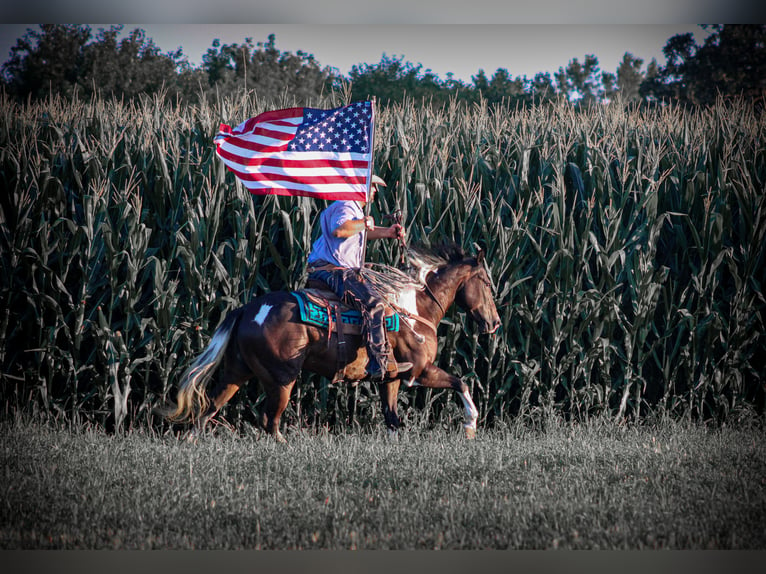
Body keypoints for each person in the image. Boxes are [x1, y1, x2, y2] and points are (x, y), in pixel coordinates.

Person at [306, 175, 412, 381]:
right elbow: (341, 230)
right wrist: (364, 222)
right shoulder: (346, 204)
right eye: (372, 186)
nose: (374, 191)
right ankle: (378, 362)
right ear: (360, 186)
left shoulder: (353, 209)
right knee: (374, 303)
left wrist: (388, 232)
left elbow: (358, 232)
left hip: (335, 269)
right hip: (333, 270)